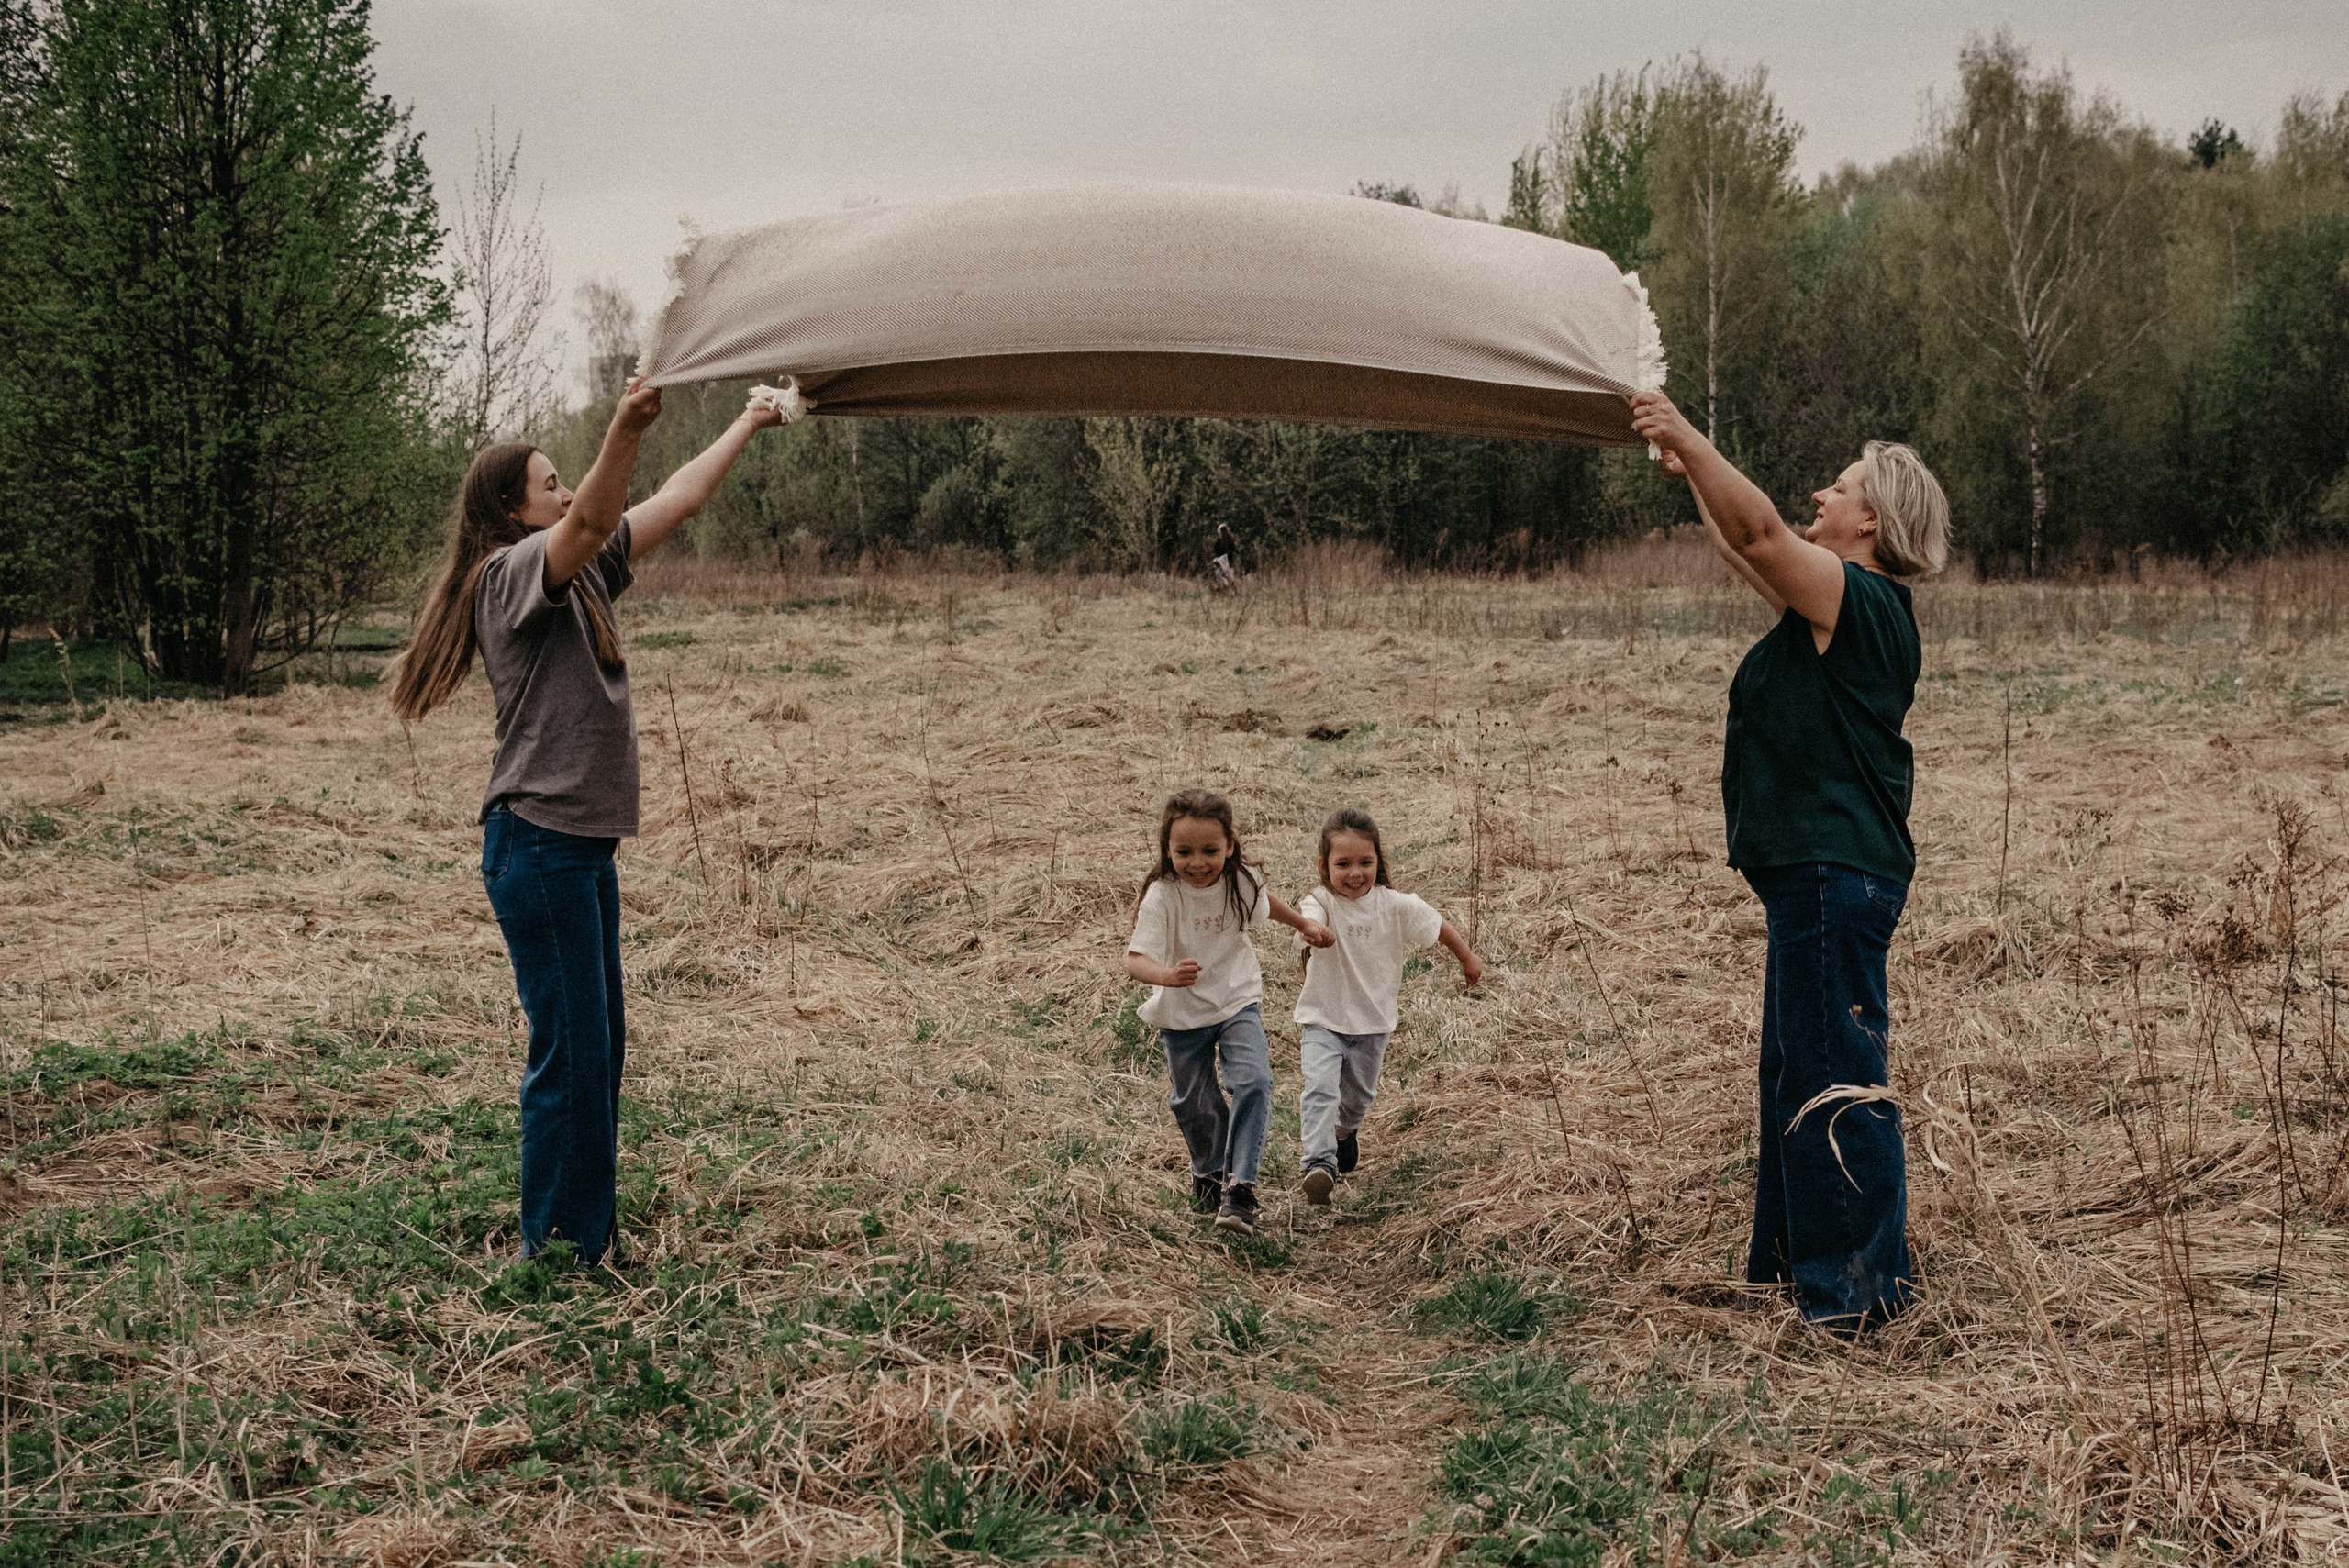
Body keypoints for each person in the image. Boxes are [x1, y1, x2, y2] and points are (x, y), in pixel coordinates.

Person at [388, 379, 796, 1268]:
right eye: (549, 482)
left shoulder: (580, 574)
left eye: (567, 477)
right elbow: (588, 523)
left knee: (596, 1049)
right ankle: (563, 1249)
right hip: (538, 847)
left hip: (574, 849)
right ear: (510, 510)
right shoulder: (507, 576)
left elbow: (676, 499)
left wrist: (749, 420)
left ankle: (585, 1232)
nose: (567, 493)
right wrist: (623, 428)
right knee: (570, 1052)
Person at [1630, 389, 1950, 1333]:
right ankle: (1791, 1270)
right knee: (1797, 1069)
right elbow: (1745, 545)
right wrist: (1693, 473)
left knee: (1829, 1074)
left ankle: (1851, 1297)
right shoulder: (1831, 603)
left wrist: (1687, 430)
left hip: (1832, 872)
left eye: (1841, 487)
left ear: (1873, 519)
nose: (1823, 491)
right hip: (1818, 877)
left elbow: (1764, 534)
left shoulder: (1863, 602)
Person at [1125, 789, 1333, 1236]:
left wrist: (1303, 924)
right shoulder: (1162, 896)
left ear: (1230, 846)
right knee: (1195, 1105)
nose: (1197, 862)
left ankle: (1241, 1189)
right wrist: (1164, 976)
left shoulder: (1241, 880)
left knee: (1254, 1080)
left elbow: (1264, 901)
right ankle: (1209, 1171)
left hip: (1237, 1000)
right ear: (1167, 849)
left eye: (1210, 851)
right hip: (1181, 1014)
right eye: (1184, 852)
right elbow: (1134, 957)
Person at [1293, 808, 1481, 1205]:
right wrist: (1312, 928)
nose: (1355, 872)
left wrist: (1466, 957)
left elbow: (1436, 925)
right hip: (1323, 1019)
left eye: (1365, 862)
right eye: (1343, 863)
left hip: (1373, 1023)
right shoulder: (1320, 902)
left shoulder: (1394, 905)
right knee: (1320, 1089)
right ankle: (1318, 1165)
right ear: (1323, 866)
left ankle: (1344, 1133)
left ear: (1379, 862)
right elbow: (1306, 918)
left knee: (1357, 1097)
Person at [1208, 523, 1239, 593]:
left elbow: (1233, 550)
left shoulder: (1227, 541)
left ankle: (1231, 591)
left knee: (1229, 577)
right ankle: (1226, 591)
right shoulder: (1220, 541)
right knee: (1225, 577)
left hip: (1228, 562)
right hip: (1223, 562)